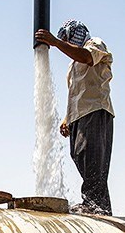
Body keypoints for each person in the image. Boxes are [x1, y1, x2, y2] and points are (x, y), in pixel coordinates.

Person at [35, 19, 115, 216]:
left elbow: (87, 57)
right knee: (79, 155)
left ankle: (95, 205)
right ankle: (99, 204)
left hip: (95, 110)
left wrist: (56, 43)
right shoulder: (72, 66)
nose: (66, 42)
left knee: (93, 159)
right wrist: (67, 118)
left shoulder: (94, 44)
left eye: (67, 38)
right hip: (79, 115)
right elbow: (75, 93)